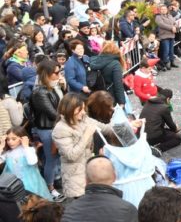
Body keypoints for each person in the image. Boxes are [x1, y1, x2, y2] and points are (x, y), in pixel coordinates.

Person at [53, 93, 104, 198]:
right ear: (69, 109)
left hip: (88, 172)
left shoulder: (83, 119)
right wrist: (86, 135)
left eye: (84, 109)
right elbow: (71, 155)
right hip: (75, 178)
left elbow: (104, 127)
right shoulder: (60, 129)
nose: (84, 112)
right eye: (80, 110)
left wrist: (127, 126)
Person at [29, 58, 65, 201]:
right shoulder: (39, 92)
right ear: (47, 74)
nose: (59, 75)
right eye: (56, 73)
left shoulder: (53, 87)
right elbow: (53, 113)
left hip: (56, 126)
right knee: (51, 159)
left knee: (56, 158)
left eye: (59, 72)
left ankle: (55, 180)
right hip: (47, 129)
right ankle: (50, 188)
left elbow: (63, 103)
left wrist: (63, 87)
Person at [0, 126, 52, 199]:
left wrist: (26, 146)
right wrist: (1, 147)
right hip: (13, 184)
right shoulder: (8, 153)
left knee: (33, 201)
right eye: (8, 139)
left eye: (14, 139)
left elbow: (32, 162)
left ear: (22, 138)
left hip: (31, 183)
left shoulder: (28, 150)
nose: (10, 142)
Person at [140, 87, 181, 152]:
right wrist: (176, 128)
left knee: (166, 131)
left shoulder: (148, 102)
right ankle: (158, 148)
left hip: (142, 134)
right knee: (177, 138)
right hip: (152, 136)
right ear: (168, 99)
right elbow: (170, 124)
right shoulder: (164, 107)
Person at [89, 41, 127, 108]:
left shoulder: (94, 60)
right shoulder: (115, 64)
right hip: (110, 96)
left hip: (96, 95)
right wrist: (122, 102)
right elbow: (118, 84)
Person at [155, 3, 178, 71]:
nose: (163, 10)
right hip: (164, 36)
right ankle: (166, 63)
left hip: (171, 35)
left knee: (171, 50)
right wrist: (171, 28)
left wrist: (175, 27)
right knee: (166, 50)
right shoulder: (158, 17)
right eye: (162, 9)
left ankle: (172, 62)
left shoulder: (170, 15)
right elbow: (162, 24)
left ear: (167, 10)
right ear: (160, 10)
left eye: (165, 9)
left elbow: (175, 22)